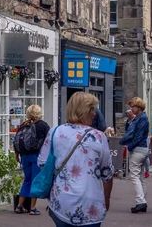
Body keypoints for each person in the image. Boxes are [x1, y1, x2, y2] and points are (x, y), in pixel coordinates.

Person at [38, 92, 113, 227]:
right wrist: (106, 199)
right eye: (92, 109)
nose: (94, 114)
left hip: (61, 201)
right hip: (91, 203)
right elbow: (106, 174)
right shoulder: (99, 136)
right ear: (84, 111)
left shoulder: (55, 132)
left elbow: (42, 163)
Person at [14, 105, 50, 215]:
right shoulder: (43, 125)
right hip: (37, 156)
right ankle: (33, 208)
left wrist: (17, 154)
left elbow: (16, 140)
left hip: (24, 156)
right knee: (35, 180)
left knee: (27, 180)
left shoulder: (24, 124)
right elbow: (50, 140)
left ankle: (19, 206)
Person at [120, 97, 150, 214]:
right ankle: (142, 200)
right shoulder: (138, 118)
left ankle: (141, 201)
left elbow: (138, 136)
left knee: (134, 175)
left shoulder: (142, 119)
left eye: (133, 106)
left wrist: (130, 146)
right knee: (140, 175)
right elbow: (130, 131)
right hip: (142, 149)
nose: (131, 109)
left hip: (138, 149)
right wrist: (129, 120)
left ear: (139, 107)